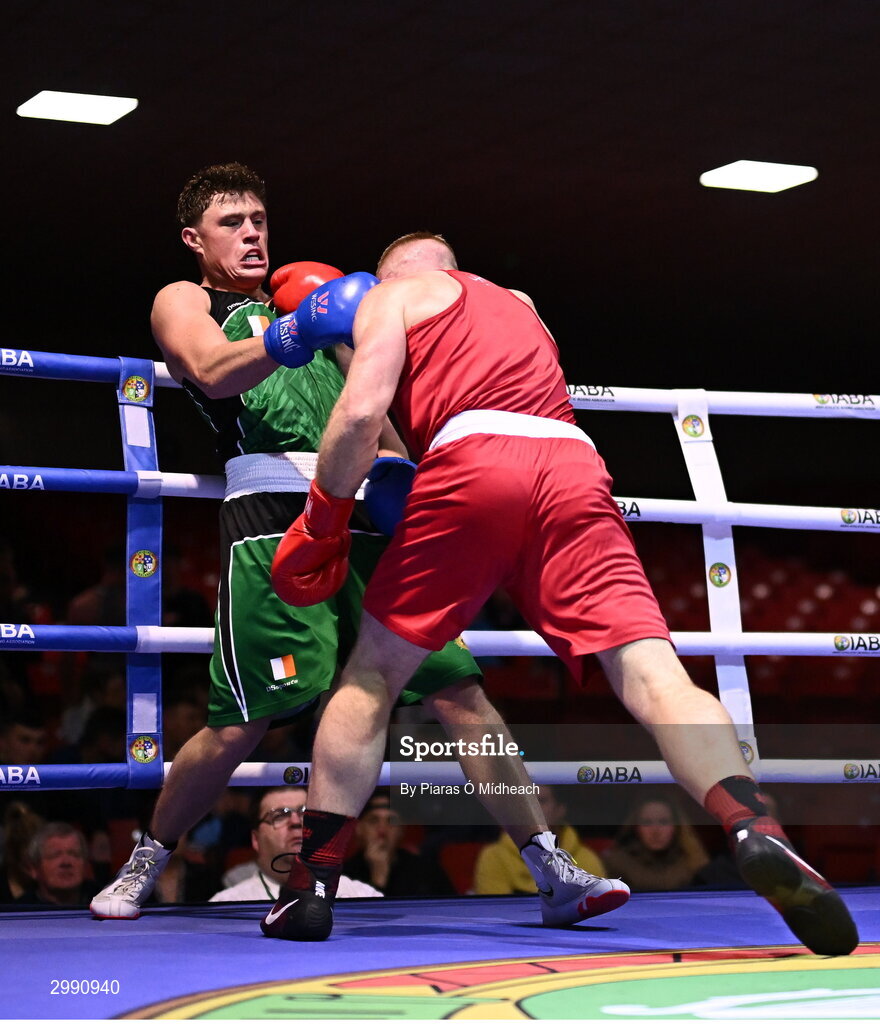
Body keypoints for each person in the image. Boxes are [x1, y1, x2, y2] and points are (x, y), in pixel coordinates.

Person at [264, 231, 859, 956]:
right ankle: (751, 824)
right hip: (572, 463)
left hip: (475, 460)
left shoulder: (392, 297)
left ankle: (311, 886)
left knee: (372, 675)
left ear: (391, 273)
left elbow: (360, 418)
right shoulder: (521, 305)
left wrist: (324, 517)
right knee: (653, 673)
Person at [90, 166, 627, 927]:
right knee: (244, 720)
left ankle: (548, 864)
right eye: (232, 222)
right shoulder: (187, 301)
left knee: (459, 692)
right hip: (273, 516)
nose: (252, 233)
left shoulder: (316, 304)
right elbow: (209, 374)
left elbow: (372, 417)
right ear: (194, 238)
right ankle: (150, 855)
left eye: (259, 220)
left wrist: (414, 479)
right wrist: (294, 332)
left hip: (365, 504)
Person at [210, 787, 380, 901]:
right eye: (279, 815)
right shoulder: (227, 904)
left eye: (305, 812)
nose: (296, 821)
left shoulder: (360, 896)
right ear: (256, 839)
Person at [474, 785, 605, 895]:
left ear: (559, 810)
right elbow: (497, 913)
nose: (531, 808)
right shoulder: (493, 856)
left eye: (541, 801)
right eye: (525, 800)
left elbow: (597, 912)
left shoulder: (587, 859)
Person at [343, 790, 455, 898]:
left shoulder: (426, 871)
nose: (382, 830)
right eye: (373, 820)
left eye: (391, 820)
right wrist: (378, 880)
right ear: (359, 829)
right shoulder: (343, 875)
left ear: (401, 829)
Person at [601, 796, 709, 892]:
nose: (655, 831)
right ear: (636, 827)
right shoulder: (616, 864)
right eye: (647, 822)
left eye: (663, 822)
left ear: (677, 827)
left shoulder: (695, 862)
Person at [15, 823, 98, 907]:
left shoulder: (106, 902)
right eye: (55, 855)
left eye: (74, 854)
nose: (66, 862)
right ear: (34, 869)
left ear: (85, 864)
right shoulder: (18, 911)